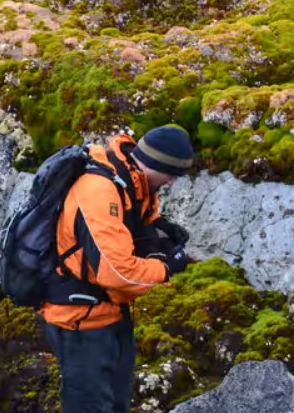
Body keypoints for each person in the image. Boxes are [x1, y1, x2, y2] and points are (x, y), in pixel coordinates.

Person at [42, 125, 196, 413]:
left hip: (111, 311)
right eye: (172, 174)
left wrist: (157, 237)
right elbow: (116, 272)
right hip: (78, 319)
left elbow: (130, 233)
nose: (173, 182)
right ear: (157, 164)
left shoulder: (133, 183)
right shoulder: (98, 190)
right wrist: (165, 268)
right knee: (89, 406)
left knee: (116, 404)